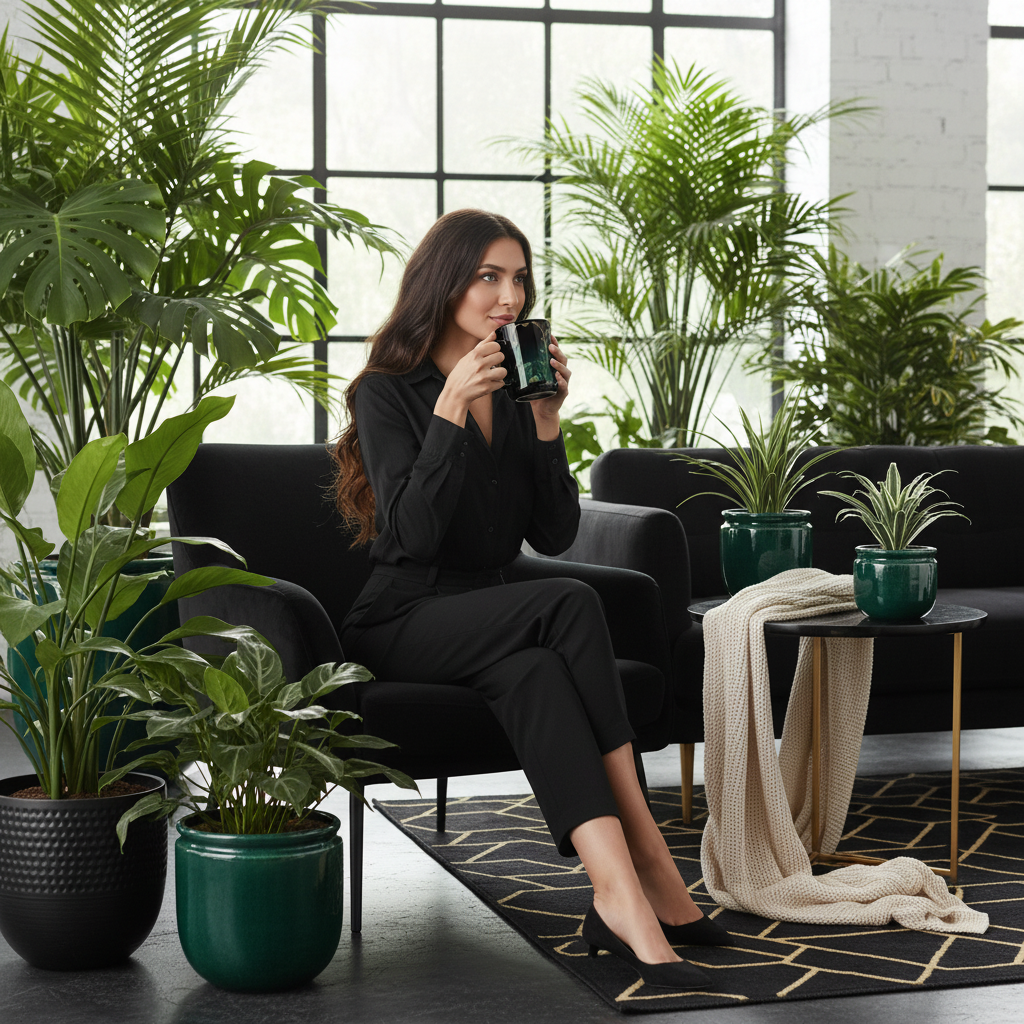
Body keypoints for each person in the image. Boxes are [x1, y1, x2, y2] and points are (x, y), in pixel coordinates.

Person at [331, 209, 731, 990]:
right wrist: (449, 412)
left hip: (489, 613)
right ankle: (650, 857)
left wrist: (546, 425)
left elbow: (552, 534)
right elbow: (409, 539)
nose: (507, 294)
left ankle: (616, 899)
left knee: (540, 673)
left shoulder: (519, 394)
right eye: (488, 276)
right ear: (444, 283)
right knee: (569, 606)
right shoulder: (386, 393)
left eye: (518, 277)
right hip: (401, 618)